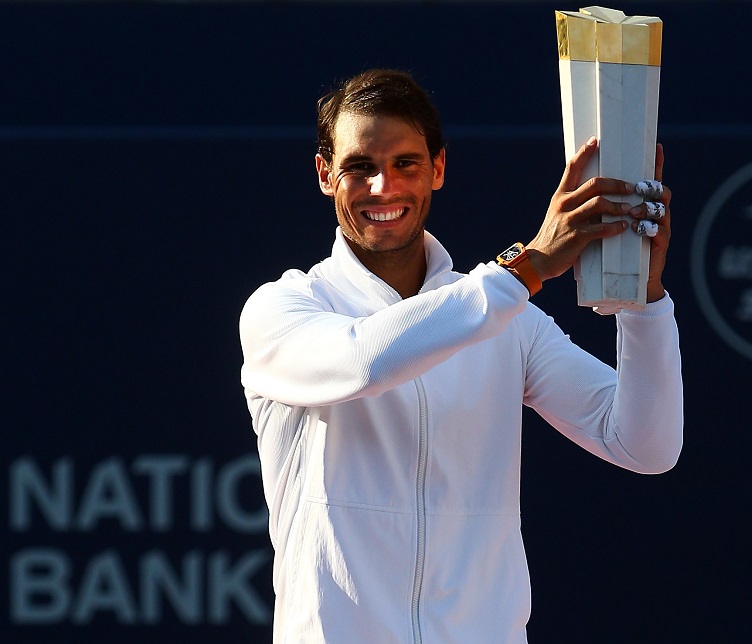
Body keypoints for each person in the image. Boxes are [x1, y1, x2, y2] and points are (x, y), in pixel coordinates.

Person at [239, 68, 683, 642]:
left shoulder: (507, 319)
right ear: (325, 174)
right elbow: (364, 361)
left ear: (438, 170)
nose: (383, 188)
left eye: (406, 164)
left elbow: (645, 444)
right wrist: (525, 268)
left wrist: (643, 304)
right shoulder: (282, 309)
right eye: (360, 167)